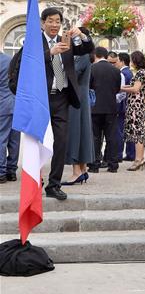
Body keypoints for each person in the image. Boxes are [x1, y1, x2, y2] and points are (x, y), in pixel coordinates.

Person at [8, 7, 94, 201]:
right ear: (42, 23)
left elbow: (87, 49)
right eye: (50, 21)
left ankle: (54, 185)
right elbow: (24, 66)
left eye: (58, 21)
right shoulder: (33, 42)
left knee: (61, 142)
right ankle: (34, 181)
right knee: (37, 142)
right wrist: (50, 53)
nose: (54, 25)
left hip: (61, 98)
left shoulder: (67, 41)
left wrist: (82, 35)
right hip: (40, 98)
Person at [64, 28, 94, 185]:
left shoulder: (82, 56)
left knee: (75, 132)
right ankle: (82, 170)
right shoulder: (83, 55)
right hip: (80, 96)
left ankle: (77, 171)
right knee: (81, 132)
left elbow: (71, 74)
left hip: (76, 97)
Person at [88, 47, 122, 173]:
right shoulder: (116, 70)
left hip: (95, 107)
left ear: (95, 55)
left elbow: (88, 87)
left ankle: (94, 164)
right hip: (111, 107)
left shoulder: (92, 69)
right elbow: (117, 88)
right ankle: (113, 164)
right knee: (111, 137)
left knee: (95, 137)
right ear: (106, 56)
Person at [122, 50, 145, 171]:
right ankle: (141, 158)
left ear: (136, 61)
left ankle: (138, 160)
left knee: (137, 133)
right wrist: (123, 87)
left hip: (135, 106)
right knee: (140, 131)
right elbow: (135, 86)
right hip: (140, 106)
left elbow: (135, 89)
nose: (131, 63)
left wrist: (121, 89)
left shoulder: (140, 73)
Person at [0, 53, 20, 184]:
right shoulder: (10, 59)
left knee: (1, 138)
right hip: (16, 104)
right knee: (14, 139)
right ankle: (11, 171)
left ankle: (1, 172)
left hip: (2, 104)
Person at [115, 52, 135, 161]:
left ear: (122, 61)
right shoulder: (129, 72)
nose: (116, 63)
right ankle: (131, 154)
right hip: (128, 105)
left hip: (122, 105)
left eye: (117, 60)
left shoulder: (123, 73)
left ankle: (118, 154)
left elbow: (121, 91)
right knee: (128, 129)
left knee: (119, 131)